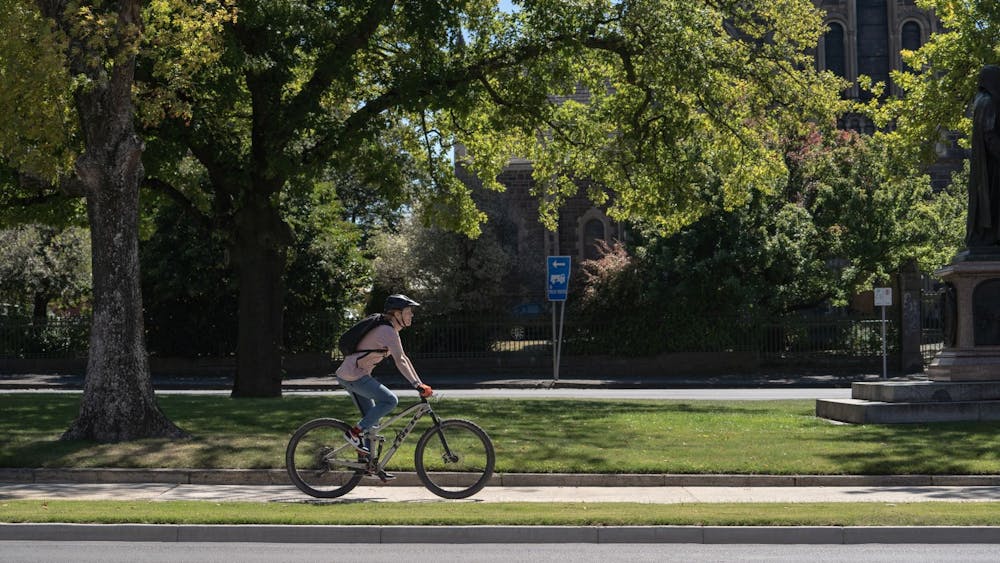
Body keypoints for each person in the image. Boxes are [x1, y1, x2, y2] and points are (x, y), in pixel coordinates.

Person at [335, 294, 433, 478]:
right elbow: (399, 360)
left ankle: (368, 464)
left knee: (372, 422)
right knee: (390, 400)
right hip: (353, 376)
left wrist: (419, 384)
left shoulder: (390, 331)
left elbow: (404, 358)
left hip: (355, 375)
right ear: (397, 314)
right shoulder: (387, 331)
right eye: (408, 312)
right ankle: (353, 434)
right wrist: (417, 385)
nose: (411, 315)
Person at [967, 65, 1000, 250]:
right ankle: (990, 236)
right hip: (993, 166)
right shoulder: (989, 102)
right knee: (993, 200)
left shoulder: (980, 101)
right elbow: (989, 134)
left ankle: (987, 236)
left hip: (985, 164)